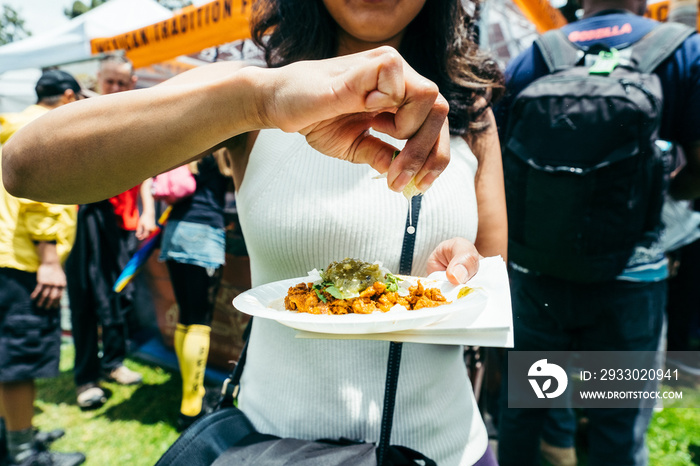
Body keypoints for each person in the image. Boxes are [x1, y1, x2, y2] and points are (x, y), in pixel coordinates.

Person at [2, 1, 507, 463]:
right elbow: (26, 166)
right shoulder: (256, 92)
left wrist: (464, 266)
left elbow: (487, 273)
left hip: (447, 448)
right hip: (271, 447)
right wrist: (258, 101)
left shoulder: (470, 109)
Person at [495, 0, 700, 463]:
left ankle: (552, 444)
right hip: (631, 276)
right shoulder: (685, 51)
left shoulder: (538, 53)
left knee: (528, 406)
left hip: (539, 274)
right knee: (616, 420)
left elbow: (506, 158)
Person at [0, 70, 86, 466]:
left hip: (9, 255)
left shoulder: (14, 124)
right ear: (67, 97)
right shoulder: (45, 129)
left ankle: (17, 433)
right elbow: (40, 198)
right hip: (24, 260)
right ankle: (21, 453)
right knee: (19, 356)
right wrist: (49, 261)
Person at [64, 55, 157, 410]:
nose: (116, 89)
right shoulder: (80, 117)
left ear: (132, 83)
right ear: (98, 80)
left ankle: (114, 362)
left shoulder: (136, 119)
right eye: (110, 82)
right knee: (87, 296)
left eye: (122, 82)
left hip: (125, 221)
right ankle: (86, 378)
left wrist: (147, 209)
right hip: (89, 217)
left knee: (121, 293)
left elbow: (144, 170)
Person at [158, 151, 233, 431]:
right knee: (200, 322)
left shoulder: (186, 145)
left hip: (175, 231)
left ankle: (192, 394)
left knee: (186, 318)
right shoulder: (220, 151)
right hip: (203, 233)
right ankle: (191, 409)